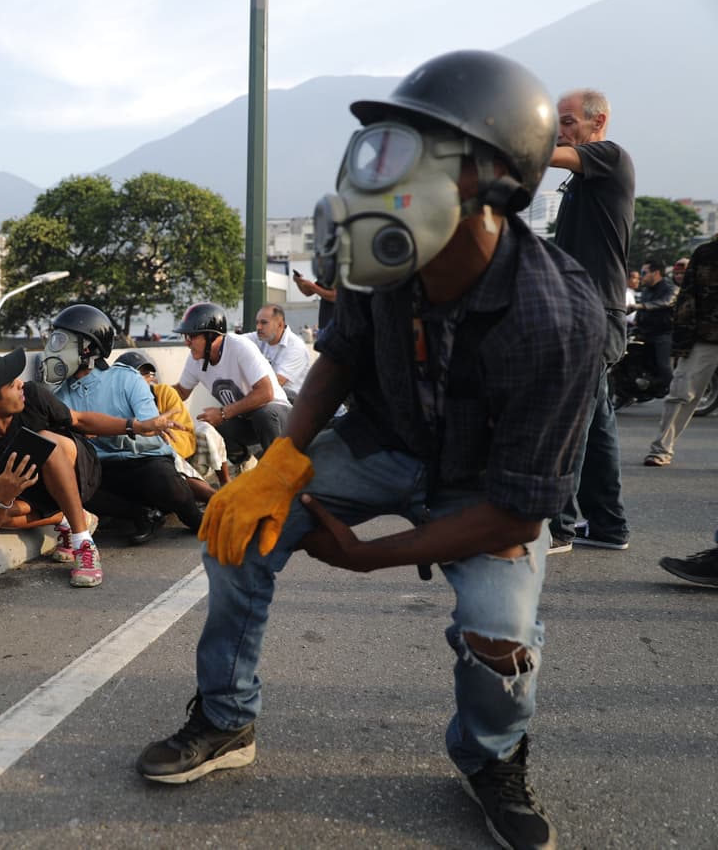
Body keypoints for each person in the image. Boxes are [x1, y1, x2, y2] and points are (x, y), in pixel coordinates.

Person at [136, 51, 603, 850]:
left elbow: (518, 516)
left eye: (416, 153)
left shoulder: (558, 318)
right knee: (236, 525)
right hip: (381, 440)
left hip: (484, 492)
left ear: (495, 182)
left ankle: (491, 756)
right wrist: (280, 466)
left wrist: (370, 558)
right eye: (383, 148)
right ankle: (226, 717)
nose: (380, 178)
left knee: (502, 635)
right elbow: (342, 357)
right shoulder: (381, 259)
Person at [546, 87, 634, 554]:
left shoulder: (610, 157)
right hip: (582, 311)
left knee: (570, 422)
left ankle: (558, 526)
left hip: (594, 314)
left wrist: (514, 129)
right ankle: (608, 526)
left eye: (568, 121)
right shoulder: (583, 179)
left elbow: (545, 154)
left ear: (597, 121)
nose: (562, 131)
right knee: (596, 427)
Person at [42, 303, 202, 544]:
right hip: (101, 471)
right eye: (54, 339)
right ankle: (143, 515)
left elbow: (149, 436)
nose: (54, 348)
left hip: (143, 463)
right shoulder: (59, 396)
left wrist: (100, 432)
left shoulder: (127, 379)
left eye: (63, 341)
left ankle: (196, 517)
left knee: (166, 482)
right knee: (70, 484)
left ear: (88, 348)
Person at [0, 347, 104, 587]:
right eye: (11, 383)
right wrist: (2, 497)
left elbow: (79, 419)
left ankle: (82, 541)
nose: (20, 383)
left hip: (76, 471)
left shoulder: (31, 396)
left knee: (46, 440)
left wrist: (133, 426)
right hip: (29, 491)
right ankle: (68, 516)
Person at [172, 302, 292, 468]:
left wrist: (222, 413)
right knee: (213, 427)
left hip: (278, 414)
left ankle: (281, 469)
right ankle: (246, 463)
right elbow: (181, 392)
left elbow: (266, 393)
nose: (187, 343)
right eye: (186, 337)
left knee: (262, 415)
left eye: (192, 337)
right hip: (247, 420)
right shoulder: (195, 359)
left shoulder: (239, 347)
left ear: (211, 336)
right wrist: (151, 392)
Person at [644, 237, 718, 467]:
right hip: (705, 336)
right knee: (681, 393)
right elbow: (686, 297)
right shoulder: (705, 253)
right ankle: (661, 449)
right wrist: (683, 340)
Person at [115, 349, 222, 503]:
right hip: (138, 463)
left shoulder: (165, 393)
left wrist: (161, 445)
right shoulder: (116, 402)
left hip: (181, 456)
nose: (145, 380)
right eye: (137, 376)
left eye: (148, 374)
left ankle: (222, 485)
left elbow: (186, 435)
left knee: (205, 431)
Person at [628, 259, 678, 396]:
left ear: (656, 273)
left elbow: (665, 302)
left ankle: (675, 393)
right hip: (645, 332)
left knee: (664, 366)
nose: (641, 275)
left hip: (663, 333)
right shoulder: (646, 291)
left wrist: (640, 306)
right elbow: (641, 312)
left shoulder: (671, 289)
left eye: (644, 272)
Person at [244, 302, 311, 401]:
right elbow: (234, 340)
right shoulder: (261, 337)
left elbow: (275, 384)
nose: (258, 327)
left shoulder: (296, 347)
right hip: (278, 399)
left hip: (298, 405)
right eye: (257, 322)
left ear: (280, 325)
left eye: (264, 322)